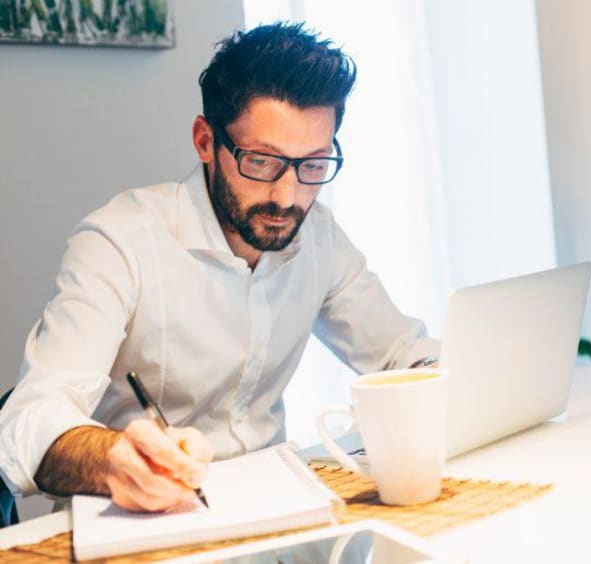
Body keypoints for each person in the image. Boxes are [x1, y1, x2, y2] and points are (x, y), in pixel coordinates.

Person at [0, 22, 439, 513]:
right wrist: (112, 459)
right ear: (205, 141)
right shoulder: (120, 241)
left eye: (313, 164)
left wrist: (449, 376)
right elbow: (28, 418)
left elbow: (401, 353)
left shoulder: (319, 237)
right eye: (261, 161)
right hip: (144, 527)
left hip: (277, 520)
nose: (287, 196)